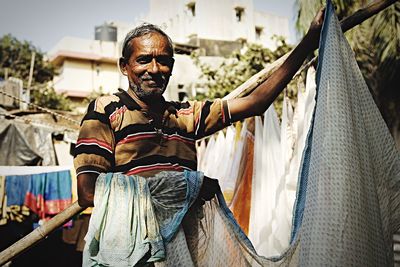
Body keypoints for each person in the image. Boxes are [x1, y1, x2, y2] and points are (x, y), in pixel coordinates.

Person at [74, 9, 325, 208]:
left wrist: (310, 40)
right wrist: (185, 188)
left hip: (185, 246)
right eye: (143, 60)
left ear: (171, 67)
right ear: (124, 66)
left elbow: (257, 102)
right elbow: (89, 193)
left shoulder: (185, 115)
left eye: (163, 61)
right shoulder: (105, 110)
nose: (154, 69)